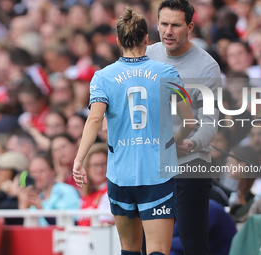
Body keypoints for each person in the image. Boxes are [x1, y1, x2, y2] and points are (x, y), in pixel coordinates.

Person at [73, 7, 194, 255]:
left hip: (121, 176)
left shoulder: (102, 77)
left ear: (118, 41)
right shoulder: (168, 73)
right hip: (157, 174)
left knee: (129, 250)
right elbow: (189, 121)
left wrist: (79, 158)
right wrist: (176, 141)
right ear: (147, 40)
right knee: (158, 250)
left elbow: (95, 118)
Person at [146, 0, 222, 254]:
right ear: (156, 23)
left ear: (189, 27)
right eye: (164, 24)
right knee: (150, 243)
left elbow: (211, 121)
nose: (168, 31)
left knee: (193, 242)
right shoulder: (147, 55)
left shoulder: (207, 66)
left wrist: (191, 143)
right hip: (152, 161)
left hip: (190, 161)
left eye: (176, 25)